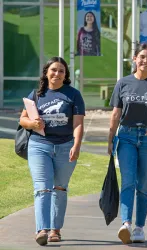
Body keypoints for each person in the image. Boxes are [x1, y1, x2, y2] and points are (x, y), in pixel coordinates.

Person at [19, 57, 85, 246]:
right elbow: (22, 120)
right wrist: (32, 123)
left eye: (61, 71)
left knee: (60, 188)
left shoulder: (73, 95)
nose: (57, 74)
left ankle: (55, 229)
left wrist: (77, 145)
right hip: (39, 145)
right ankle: (42, 229)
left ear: (66, 75)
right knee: (42, 188)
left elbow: (78, 123)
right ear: (46, 72)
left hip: (65, 146)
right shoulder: (36, 94)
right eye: (54, 70)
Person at [108, 43, 147, 244]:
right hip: (126, 136)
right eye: (142, 57)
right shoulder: (123, 83)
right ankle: (125, 223)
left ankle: (139, 228)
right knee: (128, 181)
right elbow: (116, 113)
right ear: (134, 59)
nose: (145, 60)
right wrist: (110, 139)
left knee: (143, 184)